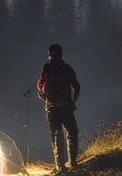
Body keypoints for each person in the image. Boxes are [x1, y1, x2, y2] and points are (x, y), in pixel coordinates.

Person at [37, 43, 81, 172]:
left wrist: (45, 98)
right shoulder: (67, 68)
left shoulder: (47, 68)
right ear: (61, 54)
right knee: (72, 132)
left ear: (49, 54)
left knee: (56, 134)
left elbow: (39, 86)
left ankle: (60, 166)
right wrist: (73, 102)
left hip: (51, 107)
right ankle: (72, 162)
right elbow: (77, 87)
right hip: (66, 106)